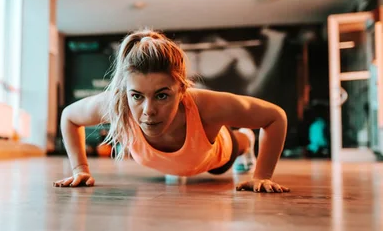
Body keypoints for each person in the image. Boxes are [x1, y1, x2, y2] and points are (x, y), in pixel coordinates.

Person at [53, 29, 290, 193]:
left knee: (226, 160)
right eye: (137, 96)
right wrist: (80, 170)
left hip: (212, 155)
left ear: (182, 89)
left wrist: (262, 176)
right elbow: (69, 117)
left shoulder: (206, 105)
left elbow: (274, 117)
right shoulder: (118, 104)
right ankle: (176, 166)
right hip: (172, 164)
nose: (149, 111)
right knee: (178, 167)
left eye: (162, 95)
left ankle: (244, 141)